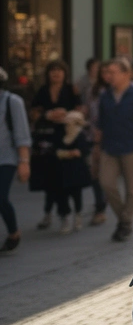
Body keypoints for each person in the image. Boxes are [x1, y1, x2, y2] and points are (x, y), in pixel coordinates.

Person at [95, 57, 133, 242]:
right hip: (110, 147)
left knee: (131, 189)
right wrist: (96, 147)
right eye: (107, 72)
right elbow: (100, 124)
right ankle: (125, 220)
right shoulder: (105, 96)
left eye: (113, 72)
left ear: (126, 74)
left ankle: (125, 223)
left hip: (132, 147)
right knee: (106, 183)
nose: (109, 76)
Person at [29, 60, 82, 231]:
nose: (56, 74)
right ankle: (54, 213)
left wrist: (66, 114)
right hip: (47, 137)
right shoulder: (43, 90)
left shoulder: (70, 89)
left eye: (60, 70)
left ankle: (73, 213)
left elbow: (81, 110)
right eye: (53, 70)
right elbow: (34, 111)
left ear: (65, 73)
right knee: (50, 178)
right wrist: (48, 114)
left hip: (68, 136)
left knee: (69, 179)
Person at [0, 68, 33, 252]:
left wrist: (24, 161)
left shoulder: (12, 101)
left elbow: (22, 134)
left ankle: (14, 232)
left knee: (1, 197)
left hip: (7, 158)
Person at [76, 58, 108, 225]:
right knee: (95, 173)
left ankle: (104, 203)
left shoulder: (112, 90)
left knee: (106, 175)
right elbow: (87, 109)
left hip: (110, 139)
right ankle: (100, 206)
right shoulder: (92, 90)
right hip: (92, 135)